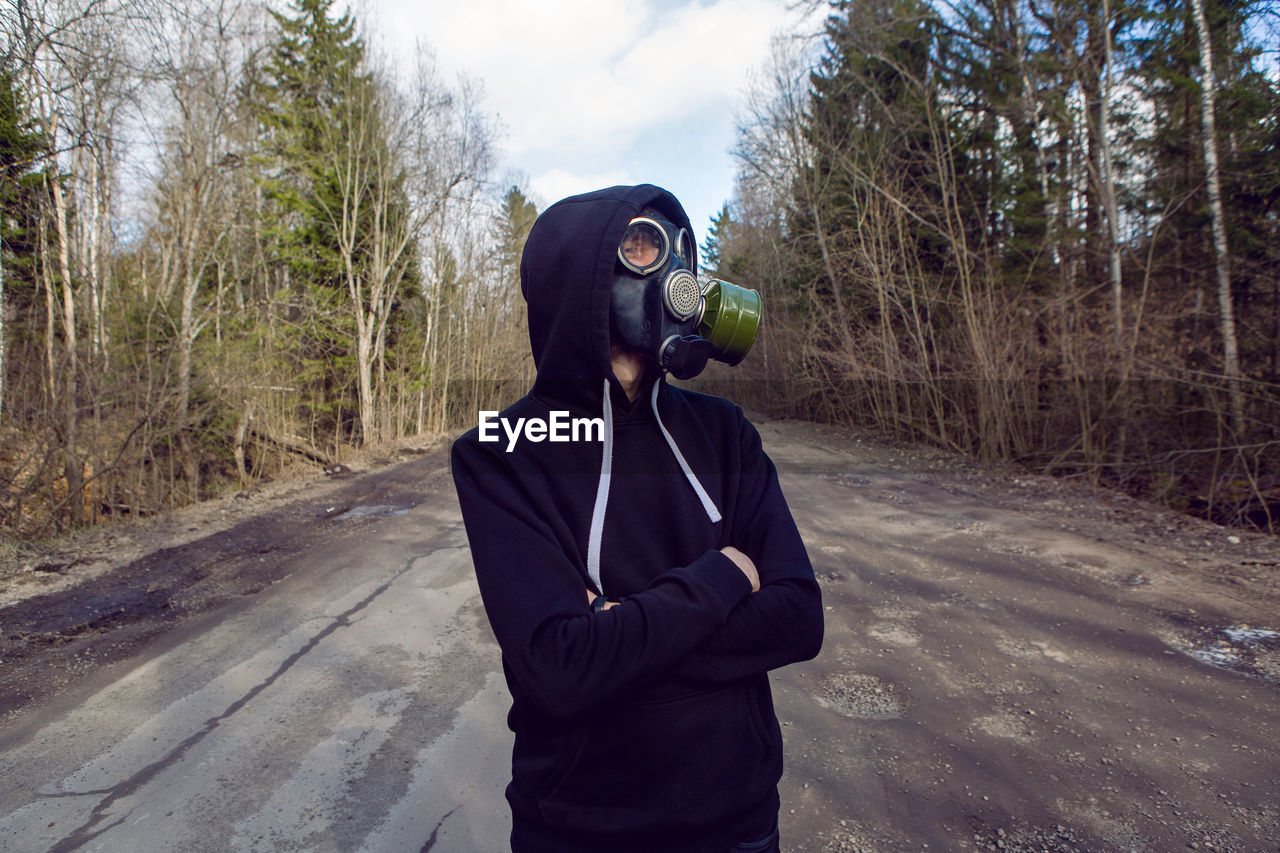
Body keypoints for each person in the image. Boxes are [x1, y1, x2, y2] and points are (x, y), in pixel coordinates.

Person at [451, 184, 823, 852]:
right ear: (581, 276)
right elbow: (558, 670)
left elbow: (798, 615)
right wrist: (725, 577)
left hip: (737, 821)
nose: (678, 268)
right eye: (648, 245)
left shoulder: (725, 432)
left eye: (684, 248)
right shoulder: (499, 453)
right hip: (580, 828)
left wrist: (616, 631)